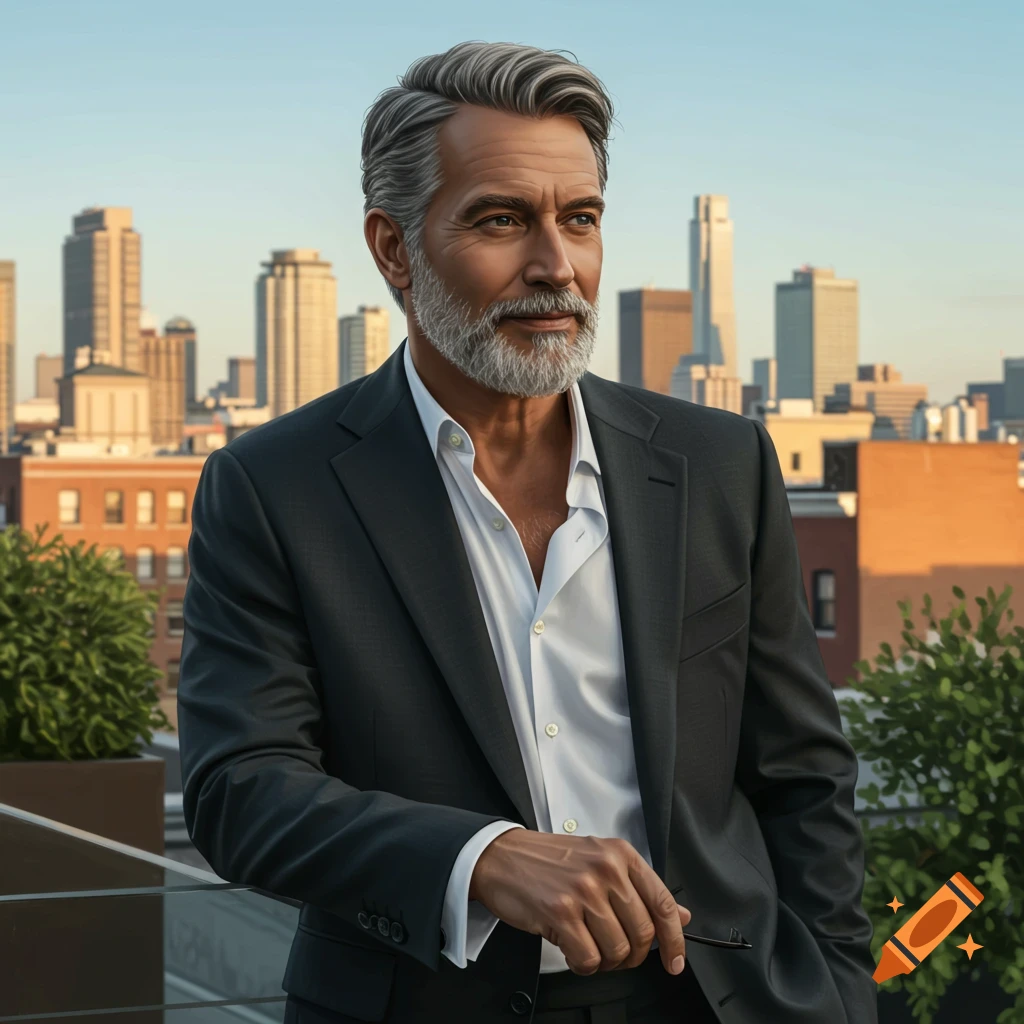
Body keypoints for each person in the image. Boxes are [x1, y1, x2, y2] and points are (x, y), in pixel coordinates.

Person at [177, 41, 877, 1024]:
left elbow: (804, 777)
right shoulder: (270, 486)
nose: (556, 266)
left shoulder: (720, 463)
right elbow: (237, 788)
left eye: (579, 219)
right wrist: (480, 857)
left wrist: (841, 998)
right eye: (501, 219)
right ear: (392, 249)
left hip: (712, 1001)